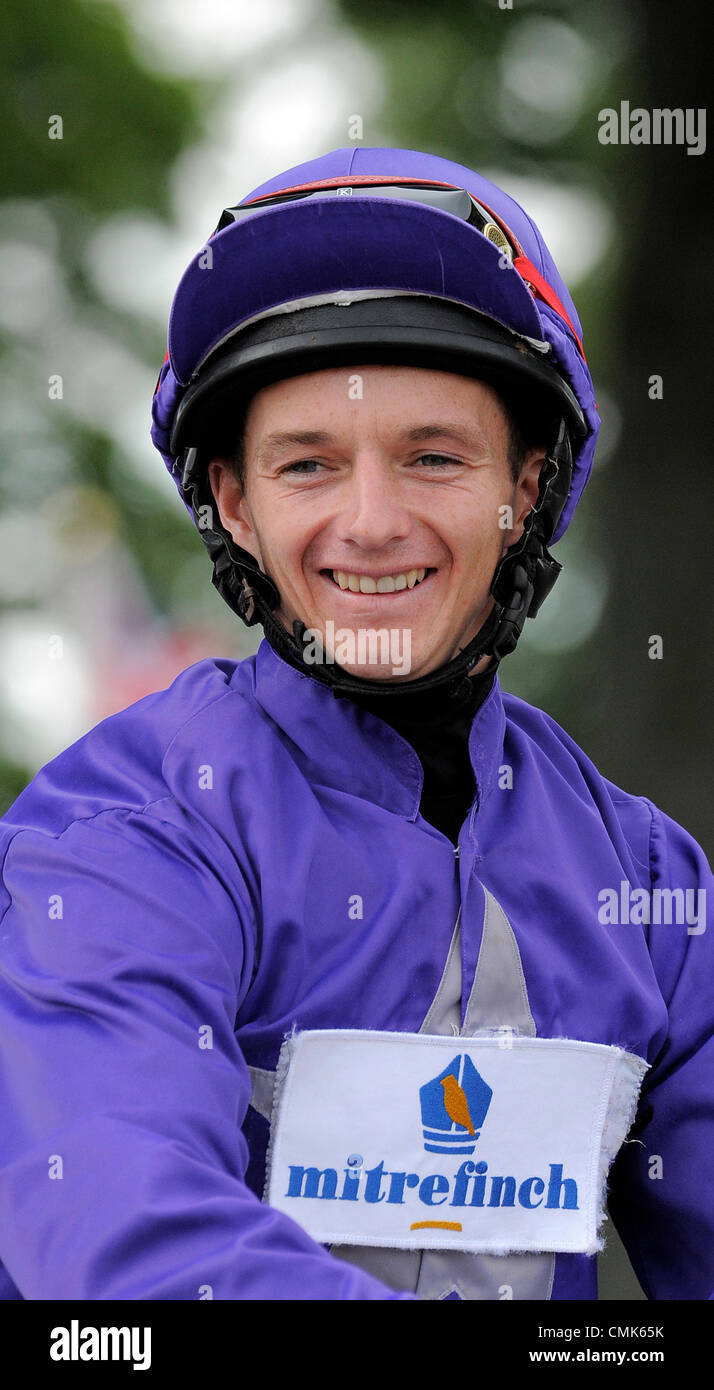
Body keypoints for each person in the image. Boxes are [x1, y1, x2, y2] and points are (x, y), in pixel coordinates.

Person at [0, 146, 711, 1303]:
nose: (370, 522)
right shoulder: (118, 837)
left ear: (524, 488)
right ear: (235, 502)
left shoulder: (647, 882)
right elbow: (118, 1250)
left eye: (434, 457)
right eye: (307, 465)